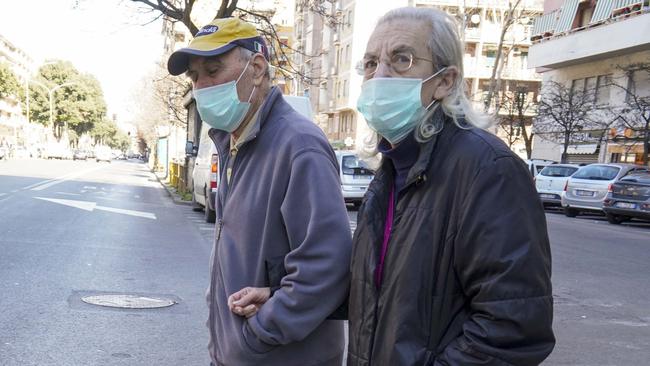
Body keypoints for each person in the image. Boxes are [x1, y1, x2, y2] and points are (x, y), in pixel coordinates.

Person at [347, 7, 555, 366]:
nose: (379, 75)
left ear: (445, 81)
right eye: (370, 63)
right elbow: (380, 289)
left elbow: (513, 326)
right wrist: (278, 295)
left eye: (401, 59)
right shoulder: (392, 169)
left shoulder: (488, 169)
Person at [167, 18, 352, 366]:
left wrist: (257, 335)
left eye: (213, 69)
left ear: (256, 69)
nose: (202, 85)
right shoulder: (233, 141)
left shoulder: (299, 146)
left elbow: (327, 264)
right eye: (195, 76)